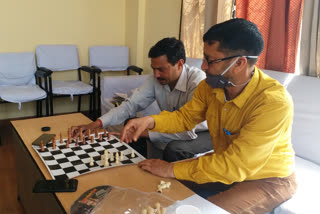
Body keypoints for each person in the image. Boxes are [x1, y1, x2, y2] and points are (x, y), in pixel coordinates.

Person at [120, 19, 297, 213]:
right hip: (224, 163)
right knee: (159, 185)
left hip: (268, 179)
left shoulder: (273, 102)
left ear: (239, 63)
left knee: (204, 209)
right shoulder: (209, 87)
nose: (203, 66)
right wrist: (150, 121)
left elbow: (235, 165)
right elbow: (185, 118)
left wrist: (171, 168)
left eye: (210, 60)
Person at [71, 37, 212, 160]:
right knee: (130, 123)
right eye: (153, 69)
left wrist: (141, 132)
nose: (156, 75)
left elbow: (186, 131)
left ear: (180, 64)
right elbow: (130, 105)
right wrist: (96, 124)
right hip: (175, 125)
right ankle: (138, 168)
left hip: (203, 132)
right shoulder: (156, 79)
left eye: (161, 69)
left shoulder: (198, 81)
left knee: (175, 149)